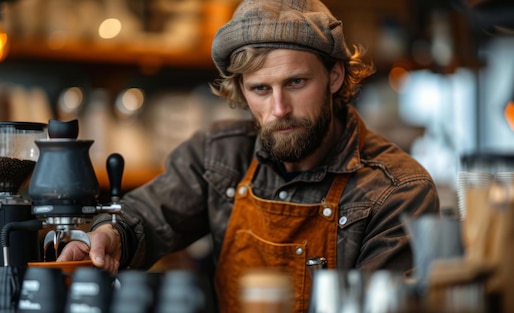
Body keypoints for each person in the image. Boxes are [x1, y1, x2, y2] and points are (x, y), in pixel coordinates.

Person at [58, 0, 440, 311]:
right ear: (241, 91)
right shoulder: (218, 155)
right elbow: (150, 214)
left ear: (336, 76)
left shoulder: (398, 190)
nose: (279, 109)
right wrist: (111, 235)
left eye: (296, 82)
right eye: (260, 89)